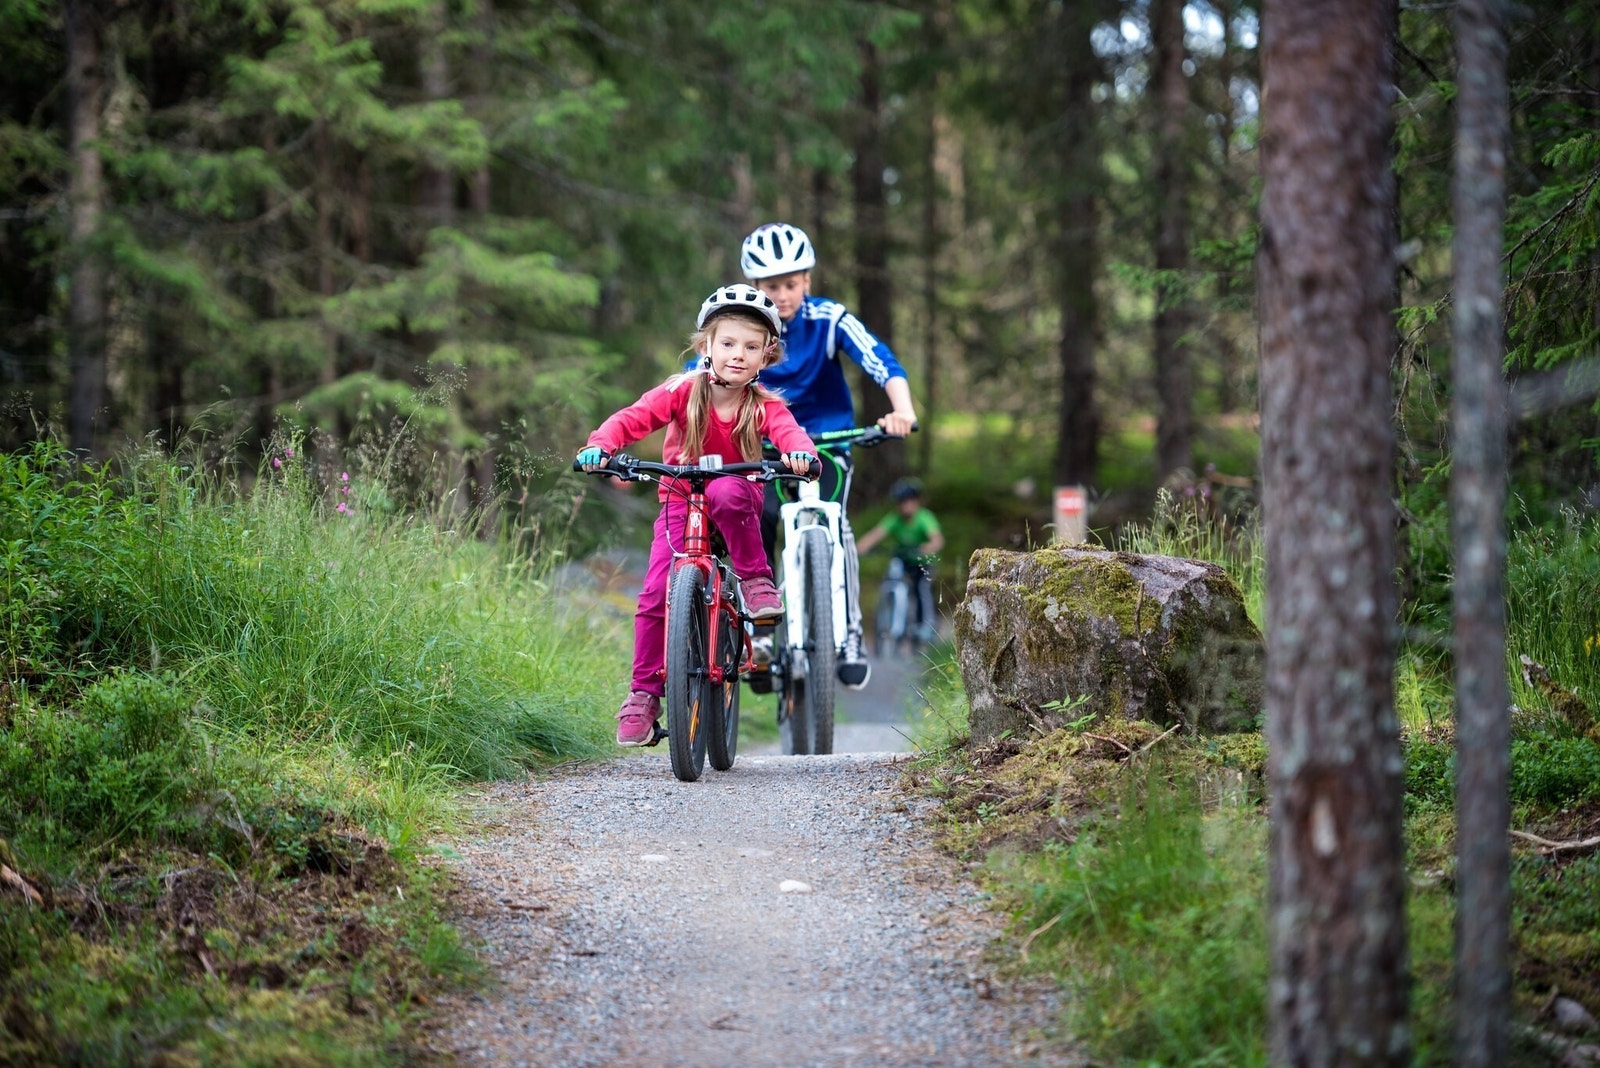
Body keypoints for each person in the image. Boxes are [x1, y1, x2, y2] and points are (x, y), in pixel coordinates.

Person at [578, 284, 817, 747]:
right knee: (652, 592)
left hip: (735, 499)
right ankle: (644, 695)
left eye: (751, 347)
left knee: (729, 488)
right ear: (706, 345)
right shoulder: (683, 391)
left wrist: (800, 456)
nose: (737, 355)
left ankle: (754, 578)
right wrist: (601, 446)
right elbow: (633, 418)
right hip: (680, 499)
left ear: (766, 356)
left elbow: (791, 434)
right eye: (727, 343)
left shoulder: (763, 405)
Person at [739, 221, 919, 689]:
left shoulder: (829, 319)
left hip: (830, 440)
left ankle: (851, 632)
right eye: (770, 286)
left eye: (791, 284)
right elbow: (697, 375)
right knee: (759, 522)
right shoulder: (741, 328)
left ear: (807, 282)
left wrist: (901, 409)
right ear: (754, 287)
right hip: (765, 445)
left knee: (835, 524)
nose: (781, 295)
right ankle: (758, 634)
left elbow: (879, 358)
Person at [856, 477, 945, 643]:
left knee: (922, 588)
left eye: (909, 500)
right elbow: (876, 534)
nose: (905, 505)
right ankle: (890, 610)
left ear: (917, 501)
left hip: (922, 561)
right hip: (903, 559)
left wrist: (927, 547)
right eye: (902, 501)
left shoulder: (924, 518)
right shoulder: (895, 519)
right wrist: (858, 549)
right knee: (891, 574)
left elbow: (937, 540)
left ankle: (927, 625)